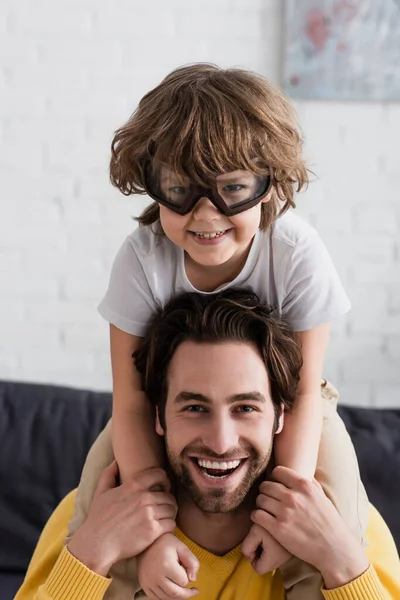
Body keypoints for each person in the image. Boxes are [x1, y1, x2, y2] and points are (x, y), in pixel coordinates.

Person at [71, 64, 369, 599]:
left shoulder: (297, 253)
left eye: (232, 189)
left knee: (333, 497)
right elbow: (133, 401)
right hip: (159, 401)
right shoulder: (142, 258)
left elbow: (302, 392)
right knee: (102, 484)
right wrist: (155, 533)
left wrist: (282, 515)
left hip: (293, 400)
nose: (206, 215)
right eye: (181, 189)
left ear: (268, 184)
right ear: (152, 180)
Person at [15, 290, 400, 600]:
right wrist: (92, 553)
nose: (220, 441)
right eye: (195, 407)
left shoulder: (343, 528)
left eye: (245, 407)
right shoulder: (91, 519)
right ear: (158, 417)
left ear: (282, 417)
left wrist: (344, 565)